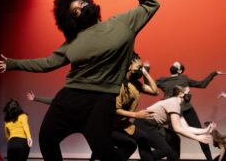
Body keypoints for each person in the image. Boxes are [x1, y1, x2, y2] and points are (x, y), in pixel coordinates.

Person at [0, 0, 160, 161]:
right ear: (72, 20)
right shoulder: (73, 42)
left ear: (90, 3)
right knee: (47, 139)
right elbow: (47, 63)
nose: (81, 7)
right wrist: (14, 63)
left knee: (103, 149)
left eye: (82, 3)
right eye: (76, 10)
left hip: (103, 99)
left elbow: (151, 4)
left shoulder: (122, 23)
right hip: (70, 98)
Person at [26, 52, 159, 160]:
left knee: (137, 140)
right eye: (139, 66)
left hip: (121, 125)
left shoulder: (135, 83)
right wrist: (136, 115)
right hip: (109, 125)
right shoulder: (116, 85)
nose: (141, 69)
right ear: (129, 66)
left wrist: (145, 72)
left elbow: (154, 91)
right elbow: (114, 109)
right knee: (124, 144)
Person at [155, 61, 224, 160]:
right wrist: (146, 70)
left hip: (187, 110)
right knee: (173, 138)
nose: (173, 65)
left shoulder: (184, 78)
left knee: (200, 133)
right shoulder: (163, 80)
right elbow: (149, 84)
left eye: (176, 64)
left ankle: (209, 159)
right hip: (174, 111)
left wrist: (213, 74)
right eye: (173, 64)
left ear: (180, 70)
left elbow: (202, 84)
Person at [135, 85, 216, 161]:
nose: (190, 95)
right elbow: (177, 128)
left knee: (174, 139)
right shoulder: (173, 103)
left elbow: (186, 128)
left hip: (150, 125)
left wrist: (206, 130)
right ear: (181, 94)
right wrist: (197, 138)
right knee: (165, 150)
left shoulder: (177, 106)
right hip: (143, 124)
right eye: (188, 93)